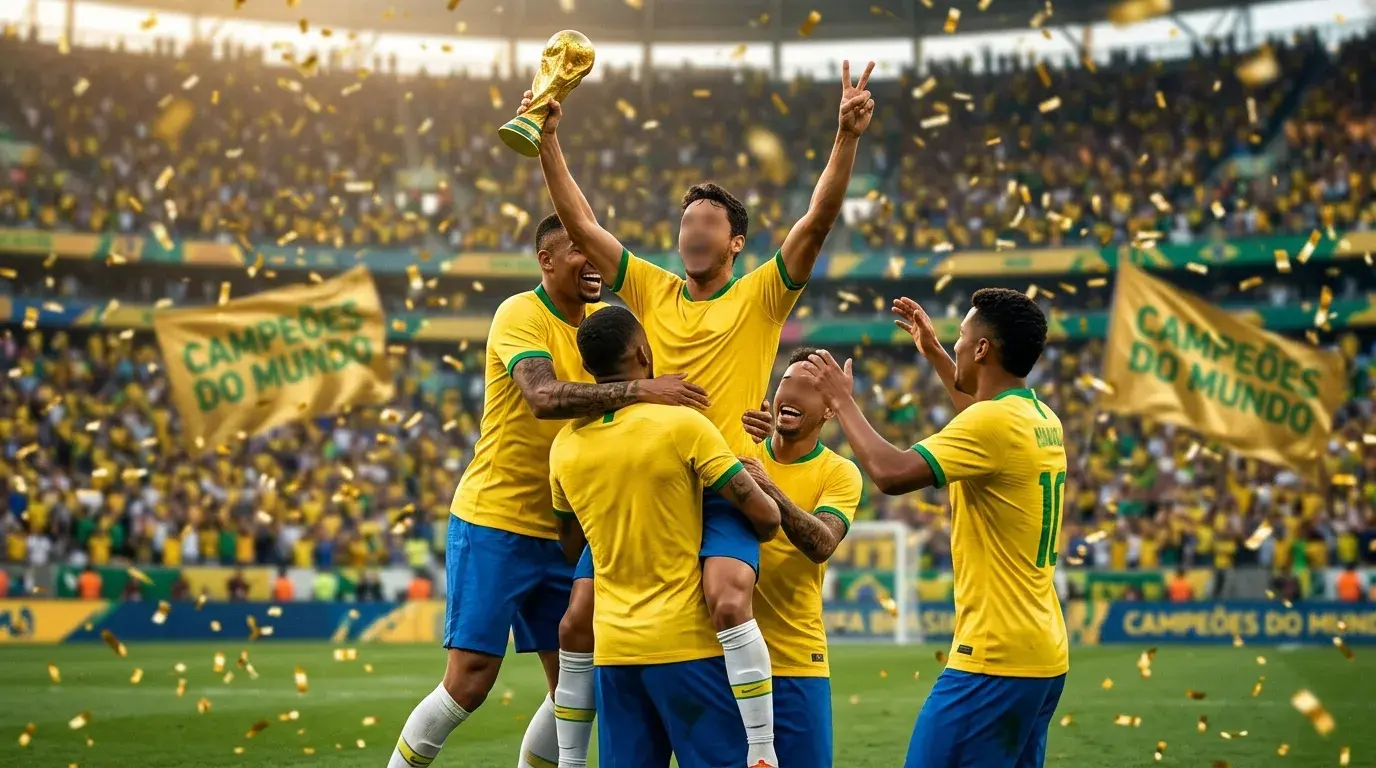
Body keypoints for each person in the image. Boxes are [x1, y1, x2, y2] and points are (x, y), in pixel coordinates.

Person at [528, 60, 876, 768]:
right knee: (577, 620)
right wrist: (547, 142)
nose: (694, 228)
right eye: (687, 219)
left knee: (725, 596)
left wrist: (844, 137)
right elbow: (582, 226)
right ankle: (564, 757)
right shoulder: (652, 290)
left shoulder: (759, 298)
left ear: (736, 242)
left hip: (721, 483)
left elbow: (816, 223)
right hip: (646, 482)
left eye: (710, 221)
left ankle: (758, 749)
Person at [388, 214, 711, 768]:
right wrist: (640, 390)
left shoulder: (604, 332)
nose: (592, 261)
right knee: (469, 681)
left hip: (568, 529)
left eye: (594, 249)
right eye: (577, 251)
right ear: (546, 261)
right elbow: (539, 395)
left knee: (575, 686)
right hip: (495, 520)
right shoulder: (520, 313)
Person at [795, 289, 1068, 768]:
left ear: (983, 350)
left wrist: (842, 401)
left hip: (993, 658)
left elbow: (891, 472)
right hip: (1044, 655)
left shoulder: (992, 423)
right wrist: (937, 354)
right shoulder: (1041, 417)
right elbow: (980, 415)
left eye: (961, 337)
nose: (956, 344)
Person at [548, 306, 781, 767]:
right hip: (686, 648)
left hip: (614, 656)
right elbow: (766, 518)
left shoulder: (564, 448)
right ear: (644, 353)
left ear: (589, 369)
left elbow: (572, 546)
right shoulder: (683, 425)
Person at [739, 348, 863, 768]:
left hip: (796, 660)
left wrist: (768, 489)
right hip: (726, 659)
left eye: (809, 388)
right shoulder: (740, 450)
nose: (791, 393)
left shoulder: (839, 472)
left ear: (830, 409)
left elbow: (823, 542)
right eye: (786, 383)